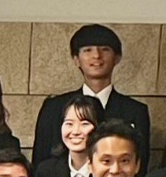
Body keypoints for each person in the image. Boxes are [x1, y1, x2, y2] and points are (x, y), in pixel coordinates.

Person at [33, 24, 152, 166]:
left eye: (105, 49)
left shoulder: (135, 111)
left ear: (117, 58)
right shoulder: (54, 107)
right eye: (87, 50)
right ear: (76, 59)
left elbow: (140, 163)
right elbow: (40, 161)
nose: (96, 56)